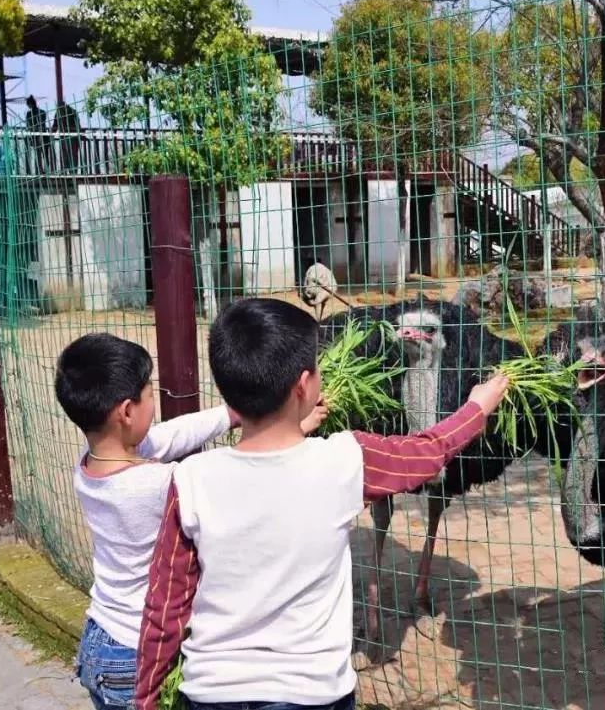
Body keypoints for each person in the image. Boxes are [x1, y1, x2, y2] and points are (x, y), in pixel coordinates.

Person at [134, 298, 511, 710]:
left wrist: (147, 697)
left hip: (213, 691)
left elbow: (165, 605)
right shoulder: (345, 459)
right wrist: (477, 408)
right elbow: (428, 452)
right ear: (304, 385)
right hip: (311, 693)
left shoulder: (190, 478)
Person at [54, 332, 326, 710]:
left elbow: (172, 435)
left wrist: (232, 414)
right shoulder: (154, 485)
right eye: (150, 394)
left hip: (100, 636)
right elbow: (233, 476)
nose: (155, 401)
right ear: (128, 411)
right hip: (138, 652)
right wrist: (290, 429)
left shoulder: (90, 462)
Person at [24, 95, 51, 173]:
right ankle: (46, 170)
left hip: (35, 136)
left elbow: (28, 126)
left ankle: (40, 170)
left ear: (30, 104)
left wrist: (32, 128)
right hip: (43, 135)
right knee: (45, 154)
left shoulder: (29, 114)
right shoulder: (42, 112)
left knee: (38, 154)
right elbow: (42, 123)